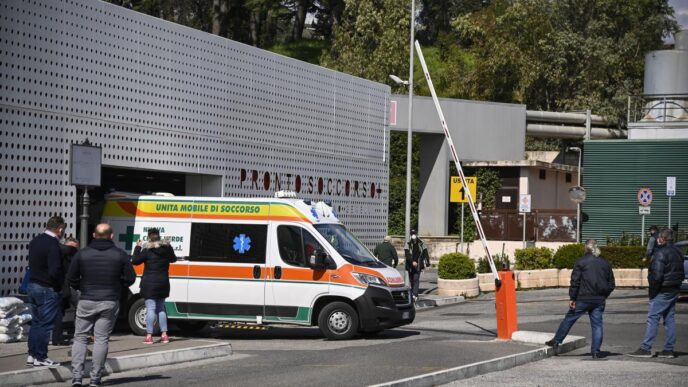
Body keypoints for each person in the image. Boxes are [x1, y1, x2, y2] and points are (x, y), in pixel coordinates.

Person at [68, 223, 136, 387]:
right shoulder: (120, 255)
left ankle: (77, 377)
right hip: (109, 300)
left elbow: (71, 277)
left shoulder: (82, 254)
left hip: (86, 299)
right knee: (101, 339)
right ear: (111, 236)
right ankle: (95, 378)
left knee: (80, 337)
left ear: (93, 235)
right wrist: (117, 286)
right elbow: (130, 278)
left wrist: (81, 287)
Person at [546, 239, 615, 359]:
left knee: (569, 318)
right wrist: (604, 295)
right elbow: (611, 283)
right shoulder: (605, 262)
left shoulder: (581, 261)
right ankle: (596, 352)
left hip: (583, 298)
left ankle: (557, 340)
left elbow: (575, 281)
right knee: (597, 325)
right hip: (599, 299)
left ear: (586, 248)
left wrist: (572, 297)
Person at [628, 229, 685, 359]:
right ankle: (669, 350)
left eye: (659, 237)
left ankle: (645, 348)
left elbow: (657, 276)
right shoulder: (678, 252)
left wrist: (653, 292)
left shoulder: (660, 253)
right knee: (669, 319)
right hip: (674, 289)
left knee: (653, 318)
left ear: (663, 239)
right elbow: (681, 273)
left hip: (662, 290)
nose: (657, 239)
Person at [26, 216, 67, 367]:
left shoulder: (35, 241)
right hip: (47, 288)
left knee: (36, 322)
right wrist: (59, 286)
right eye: (63, 229)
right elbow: (55, 269)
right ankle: (41, 357)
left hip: (33, 285)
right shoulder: (53, 244)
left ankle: (32, 354)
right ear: (60, 228)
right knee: (45, 324)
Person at [132, 228, 177, 345]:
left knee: (151, 309)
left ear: (149, 237)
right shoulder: (166, 248)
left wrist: (138, 247)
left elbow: (135, 260)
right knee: (161, 308)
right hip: (163, 282)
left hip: (149, 283)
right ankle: (164, 335)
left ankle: (149, 336)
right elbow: (174, 259)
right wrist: (169, 246)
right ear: (159, 236)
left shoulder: (147, 250)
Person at [52, 237, 80, 346]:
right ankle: (77, 334)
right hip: (68, 286)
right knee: (80, 308)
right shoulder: (74, 255)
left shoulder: (58, 253)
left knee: (59, 311)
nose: (72, 250)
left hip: (61, 286)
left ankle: (57, 336)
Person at [405, 230, 430, 301]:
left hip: (418, 264)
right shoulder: (408, 243)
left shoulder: (421, 243)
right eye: (412, 234)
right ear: (410, 235)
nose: (413, 235)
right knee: (411, 280)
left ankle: (415, 294)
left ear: (416, 234)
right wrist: (412, 261)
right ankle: (413, 293)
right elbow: (407, 254)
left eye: (414, 234)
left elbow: (425, 254)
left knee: (416, 279)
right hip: (410, 265)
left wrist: (428, 264)